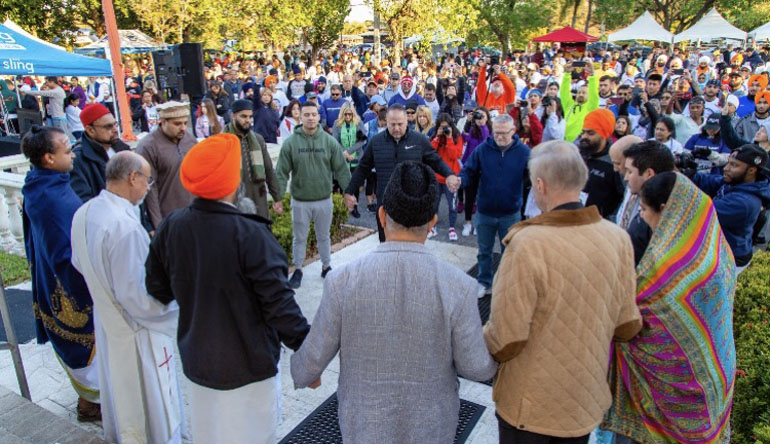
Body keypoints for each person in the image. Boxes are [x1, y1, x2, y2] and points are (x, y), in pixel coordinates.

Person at [290, 161, 497, 444]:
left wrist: (302, 373)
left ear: (383, 215)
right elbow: (476, 367)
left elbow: (310, 363)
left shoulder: (342, 279)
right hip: (432, 429)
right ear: (433, 221)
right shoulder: (459, 286)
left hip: (363, 427)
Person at [146, 133, 311, 444]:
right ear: (233, 182)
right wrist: (309, 353)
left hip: (198, 364)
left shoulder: (170, 227)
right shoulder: (251, 235)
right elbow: (279, 307)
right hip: (249, 368)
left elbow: (157, 289)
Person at [485, 140, 640, 444]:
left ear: (540, 185)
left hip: (529, 407)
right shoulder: (618, 238)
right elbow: (627, 325)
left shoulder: (527, 244)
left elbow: (506, 339)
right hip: (583, 401)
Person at [604, 172, 736, 444]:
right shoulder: (710, 246)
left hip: (669, 397)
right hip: (713, 380)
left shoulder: (664, 269)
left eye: (642, 209)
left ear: (663, 210)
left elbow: (628, 323)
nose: (641, 217)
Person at [71, 152, 182, 444]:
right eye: (148, 181)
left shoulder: (86, 212)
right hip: (137, 336)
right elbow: (141, 299)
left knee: (121, 402)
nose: (148, 189)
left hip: (108, 324)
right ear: (133, 177)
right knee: (151, 413)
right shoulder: (125, 227)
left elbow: (79, 263)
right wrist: (178, 307)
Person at [20, 125, 100, 421]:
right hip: (67, 287)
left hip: (61, 276)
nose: (73, 156)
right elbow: (62, 255)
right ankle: (90, 403)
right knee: (85, 347)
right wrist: (90, 287)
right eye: (67, 151)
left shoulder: (47, 183)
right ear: (48, 158)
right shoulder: (49, 198)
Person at [344, 104, 460, 242]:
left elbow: (435, 160)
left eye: (400, 124)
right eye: (392, 124)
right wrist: (349, 191)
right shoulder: (376, 142)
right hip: (385, 203)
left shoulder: (419, 140)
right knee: (385, 244)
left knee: (412, 245)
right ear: (386, 122)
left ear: (407, 122)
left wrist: (449, 174)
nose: (396, 128)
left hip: (412, 203)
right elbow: (363, 168)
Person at [275, 102, 352, 288]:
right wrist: (277, 197)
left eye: (313, 114)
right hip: (300, 201)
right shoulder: (291, 143)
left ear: (318, 117)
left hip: (323, 200)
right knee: (299, 237)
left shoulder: (328, 141)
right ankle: (299, 269)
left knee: (323, 236)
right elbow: (281, 172)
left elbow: (341, 168)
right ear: (300, 117)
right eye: (306, 114)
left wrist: (348, 192)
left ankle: (326, 267)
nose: (310, 118)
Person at [458, 114, 529, 297]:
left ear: (513, 132)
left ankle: (506, 284)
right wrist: (460, 181)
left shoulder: (524, 152)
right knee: (484, 251)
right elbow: (469, 170)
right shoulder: (483, 149)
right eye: (496, 133)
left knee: (510, 253)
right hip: (485, 211)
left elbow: (533, 176)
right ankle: (484, 282)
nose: (499, 137)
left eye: (504, 134)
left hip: (511, 212)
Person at [692, 144, 770, 273]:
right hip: (719, 250)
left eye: (734, 165)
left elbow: (700, 211)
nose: (726, 168)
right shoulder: (739, 181)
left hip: (730, 260)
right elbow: (709, 182)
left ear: (752, 170)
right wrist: (687, 172)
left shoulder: (745, 202)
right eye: (729, 163)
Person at [135, 101, 197, 229]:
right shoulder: (148, 146)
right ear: (163, 122)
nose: (183, 128)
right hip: (168, 219)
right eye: (177, 124)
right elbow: (149, 188)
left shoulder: (190, 140)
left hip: (194, 215)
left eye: (185, 123)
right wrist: (158, 226)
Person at [223, 99, 282, 218]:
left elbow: (269, 170)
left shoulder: (258, 140)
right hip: (234, 201)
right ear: (233, 116)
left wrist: (277, 198)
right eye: (243, 116)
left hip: (258, 198)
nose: (248, 120)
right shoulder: (222, 141)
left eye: (250, 117)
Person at [622, 141, 675, 264]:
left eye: (630, 172)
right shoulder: (633, 195)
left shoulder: (656, 216)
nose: (625, 178)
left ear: (648, 174)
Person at [70, 103, 130, 202]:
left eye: (115, 124)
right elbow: (83, 202)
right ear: (90, 130)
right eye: (108, 127)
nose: (115, 130)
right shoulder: (79, 160)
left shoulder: (122, 148)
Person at [578, 109, 626, 219]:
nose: (584, 137)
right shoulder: (579, 156)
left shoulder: (615, 162)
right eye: (583, 132)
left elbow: (625, 198)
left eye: (590, 133)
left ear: (604, 135)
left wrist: (610, 222)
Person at [429, 113, 463, 240]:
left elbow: (455, 155)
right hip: (436, 177)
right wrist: (437, 137)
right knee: (434, 203)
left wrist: (449, 138)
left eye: (446, 127)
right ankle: (433, 226)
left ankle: (452, 227)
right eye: (442, 127)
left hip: (451, 177)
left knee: (452, 205)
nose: (444, 129)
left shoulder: (456, 137)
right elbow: (429, 152)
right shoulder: (435, 135)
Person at [561, 66, 600, 142]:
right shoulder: (569, 105)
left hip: (582, 142)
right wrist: (567, 74)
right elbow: (564, 92)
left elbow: (594, 93)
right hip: (565, 141)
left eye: (584, 93)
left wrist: (592, 75)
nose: (581, 94)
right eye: (579, 92)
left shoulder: (591, 107)